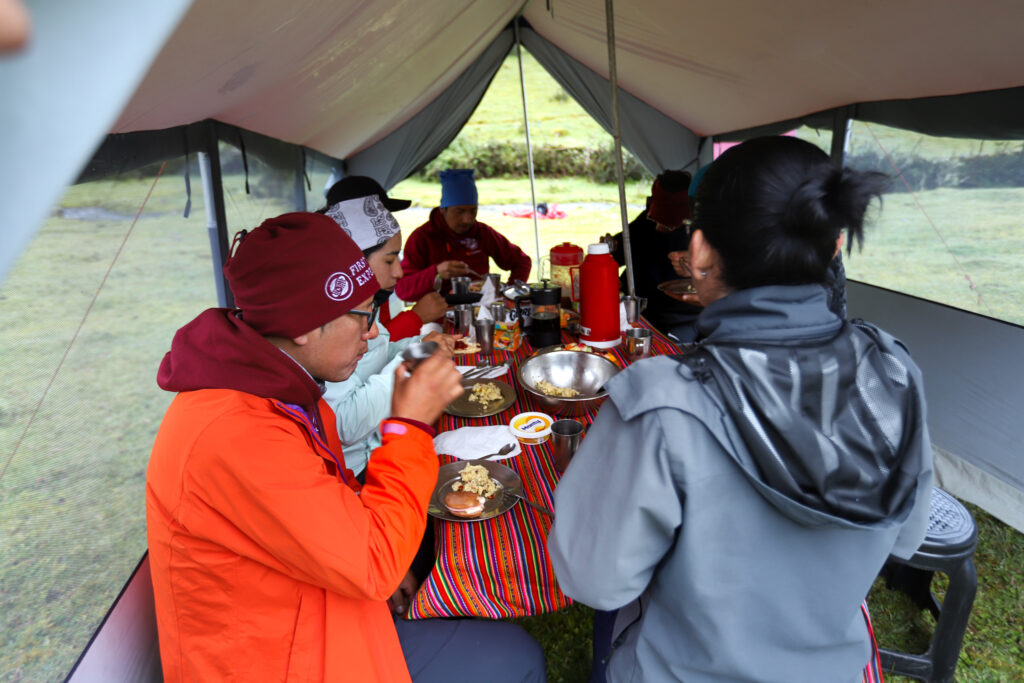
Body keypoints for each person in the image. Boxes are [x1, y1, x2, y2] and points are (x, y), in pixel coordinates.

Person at [548, 136, 934, 682]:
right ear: (834, 248)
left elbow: (594, 580)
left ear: (700, 251)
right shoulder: (896, 372)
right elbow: (907, 536)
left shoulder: (663, 402)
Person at [146, 212, 545, 682]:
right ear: (303, 325)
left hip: (310, 604)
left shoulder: (271, 388)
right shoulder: (234, 433)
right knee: (515, 658)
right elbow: (373, 561)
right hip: (280, 658)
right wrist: (409, 425)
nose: (374, 331)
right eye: (363, 316)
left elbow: (327, 511)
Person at [322, 195, 454, 478]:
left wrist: (420, 346)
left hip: (384, 440)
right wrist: (413, 357)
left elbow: (380, 353)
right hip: (360, 470)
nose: (399, 271)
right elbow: (347, 423)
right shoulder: (330, 323)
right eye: (391, 259)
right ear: (356, 261)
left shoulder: (368, 305)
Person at [320, 175, 448, 339]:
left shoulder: (379, 289)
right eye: (379, 214)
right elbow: (371, 350)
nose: (384, 222)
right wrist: (415, 317)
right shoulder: (335, 303)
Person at [395, 168, 532, 300]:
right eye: (459, 211)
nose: (467, 219)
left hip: (482, 309)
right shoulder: (422, 237)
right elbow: (402, 291)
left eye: (473, 211)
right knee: (431, 326)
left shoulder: (481, 232)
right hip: (438, 315)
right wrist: (436, 273)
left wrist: (511, 294)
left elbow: (521, 261)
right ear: (443, 209)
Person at [605, 169, 701, 339]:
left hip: (677, 318)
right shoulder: (645, 222)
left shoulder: (697, 232)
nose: (654, 218)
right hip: (634, 309)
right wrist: (609, 248)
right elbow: (620, 253)